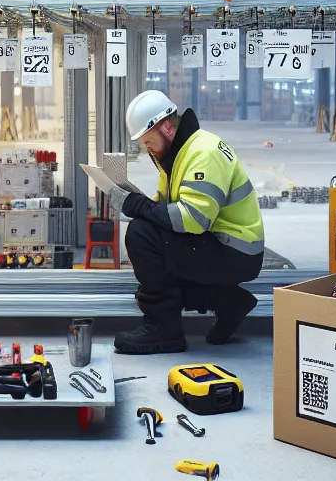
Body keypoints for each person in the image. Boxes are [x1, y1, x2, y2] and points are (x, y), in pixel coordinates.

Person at [105, 89, 266, 354]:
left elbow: (193, 219)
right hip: (223, 246)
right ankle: (229, 302)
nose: (146, 148)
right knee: (156, 242)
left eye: (147, 140)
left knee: (142, 235)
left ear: (167, 127)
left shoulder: (204, 152)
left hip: (236, 251)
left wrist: (141, 207)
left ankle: (163, 328)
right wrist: (141, 202)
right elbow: (165, 207)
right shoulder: (176, 155)